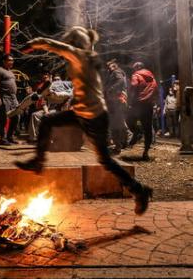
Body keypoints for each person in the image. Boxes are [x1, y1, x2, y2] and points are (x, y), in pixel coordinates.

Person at [15, 26, 153, 215]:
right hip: (82, 114)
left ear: (75, 43)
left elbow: (54, 45)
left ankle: (139, 190)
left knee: (105, 160)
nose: (68, 46)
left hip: (95, 117)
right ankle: (38, 162)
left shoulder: (80, 55)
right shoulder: (87, 56)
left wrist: (34, 43)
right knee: (47, 121)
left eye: (70, 43)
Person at [128, 62, 157, 160]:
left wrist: (130, 102)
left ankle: (137, 132)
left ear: (137, 68)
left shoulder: (136, 75)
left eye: (134, 68)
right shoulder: (152, 77)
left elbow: (133, 86)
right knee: (148, 128)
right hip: (148, 105)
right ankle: (146, 152)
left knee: (129, 121)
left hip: (138, 104)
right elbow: (155, 89)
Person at [0, 54, 19, 145]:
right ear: (4, 61)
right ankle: (2, 138)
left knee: (16, 117)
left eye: (12, 60)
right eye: (10, 60)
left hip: (13, 98)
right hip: (4, 97)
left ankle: (10, 136)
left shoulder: (11, 72)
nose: (12, 62)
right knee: (3, 118)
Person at [104, 59, 128, 154]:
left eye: (109, 66)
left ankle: (121, 144)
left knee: (117, 123)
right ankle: (121, 144)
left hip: (116, 101)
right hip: (114, 101)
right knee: (117, 122)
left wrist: (110, 89)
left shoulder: (117, 72)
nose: (108, 68)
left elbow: (120, 81)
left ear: (114, 66)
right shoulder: (114, 73)